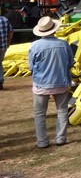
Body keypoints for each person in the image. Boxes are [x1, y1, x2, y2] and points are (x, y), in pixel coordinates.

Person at [28, 16, 74, 148]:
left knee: (40, 114)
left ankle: (42, 141)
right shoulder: (64, 44)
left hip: (41, 84)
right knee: (62, 111)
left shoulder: (35, 46)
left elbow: (31, 66)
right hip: (61, 82)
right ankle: (61, 138)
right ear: (54, 29)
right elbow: (70, 63)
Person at [0, 10, 12, 91]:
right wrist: (8, 42)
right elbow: (11, 31)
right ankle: (0, 82)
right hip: (3, 46)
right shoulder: (4, 19)